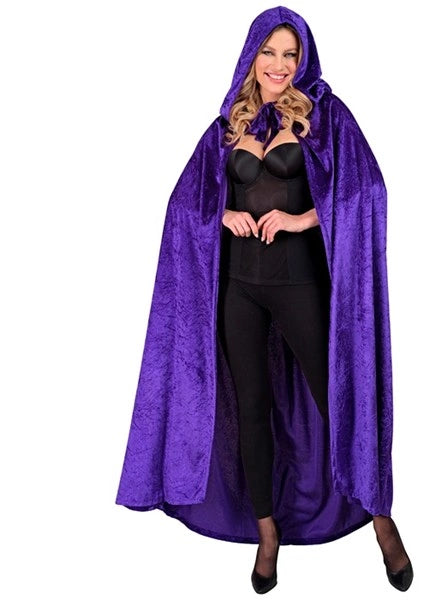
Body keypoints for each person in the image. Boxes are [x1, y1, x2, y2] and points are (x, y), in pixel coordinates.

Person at [116, 6, 413, 594]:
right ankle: (266, 533)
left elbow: (366, 191)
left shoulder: (326, 116)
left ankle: (382, 522)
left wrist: (303, 219)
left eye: (290, 54)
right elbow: (184, 206)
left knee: (338, 397)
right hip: (239, 289)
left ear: (303, 60)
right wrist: (222, 214)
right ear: (252, 56)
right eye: (269, 52)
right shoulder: (229, 124)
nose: (279, 65)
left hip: (300, 286)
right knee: (251, 408)